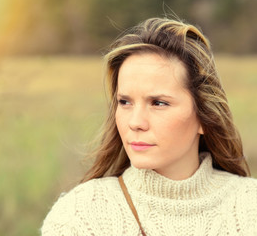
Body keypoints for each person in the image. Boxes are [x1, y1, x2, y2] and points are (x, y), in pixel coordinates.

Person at [41, 17, 257, 235]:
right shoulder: (78, 217)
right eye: (125, 102)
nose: (135, 122)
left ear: (204, 117)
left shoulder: (250, 209)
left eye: (159, 103)